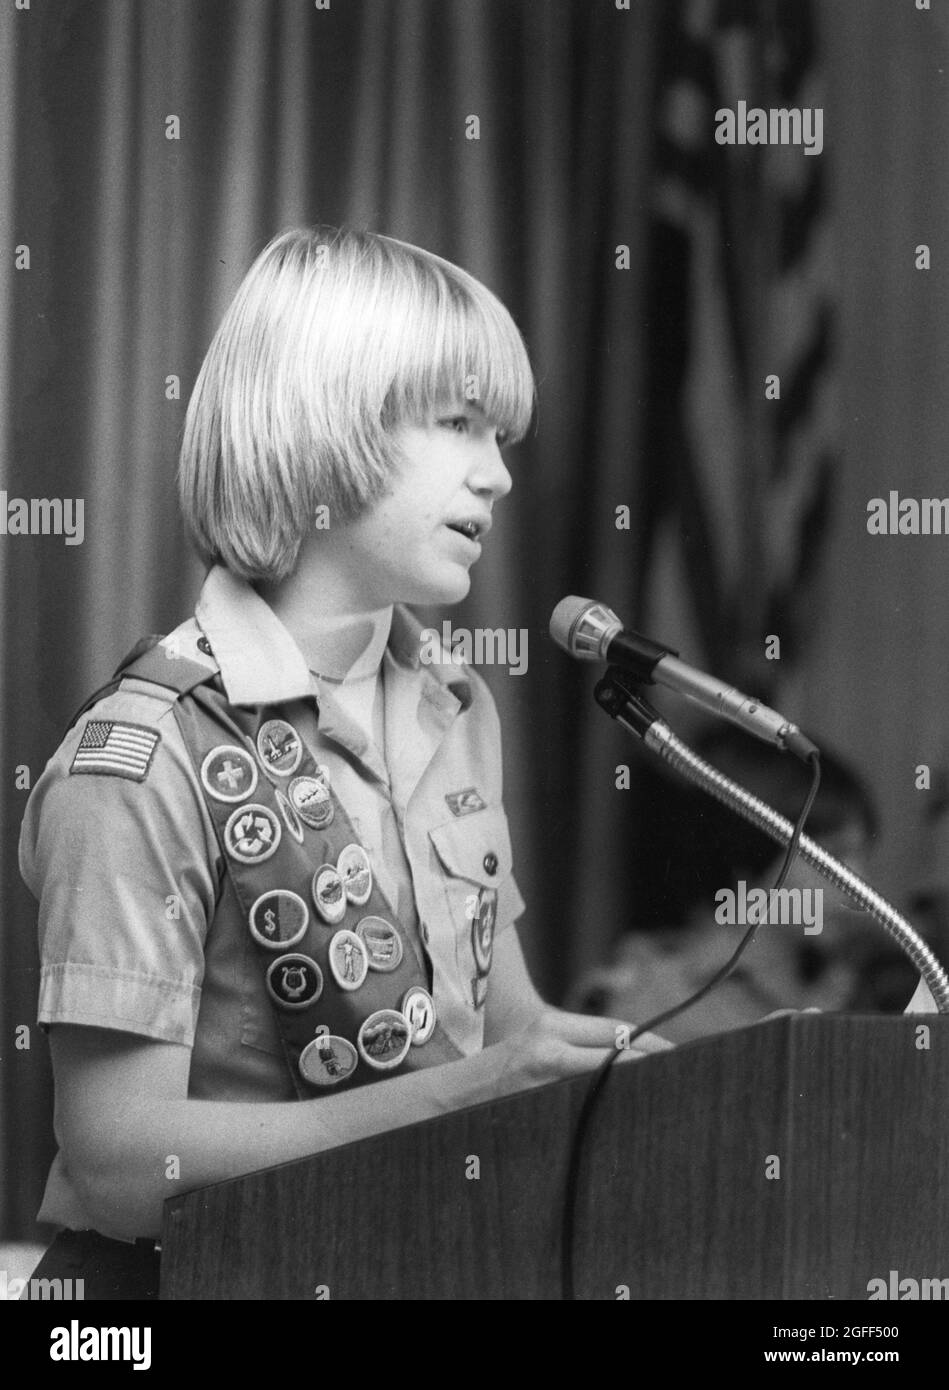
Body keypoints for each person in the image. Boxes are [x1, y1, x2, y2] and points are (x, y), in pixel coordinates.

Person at [18, 226, 669, 1300]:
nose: (497, 474)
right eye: (458, 423)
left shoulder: (457, 708)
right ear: (326, 421)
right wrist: (470, 1098)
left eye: (498, 434)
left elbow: (508, 1037)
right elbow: (123, 1162)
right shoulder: (144, 750)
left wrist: (666, 1072)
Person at [569, 727, 923, 1041]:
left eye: (863, 857)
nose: (859, 884)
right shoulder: (655, 999)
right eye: (833, 857)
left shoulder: (850, 983)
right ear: (751, 857)